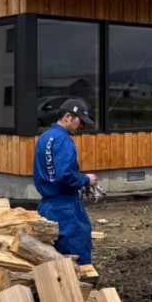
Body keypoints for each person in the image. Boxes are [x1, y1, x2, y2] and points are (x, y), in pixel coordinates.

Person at [33, 97, 98, 264]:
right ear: (68, 117)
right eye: (80, 121)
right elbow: (66, 176)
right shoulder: (64, 140)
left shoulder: (45, 138)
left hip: (47, 206)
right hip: (66, 208)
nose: (82, 126)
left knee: (51, 256)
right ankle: (80, 287)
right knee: (77, 250)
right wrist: (86, 179)